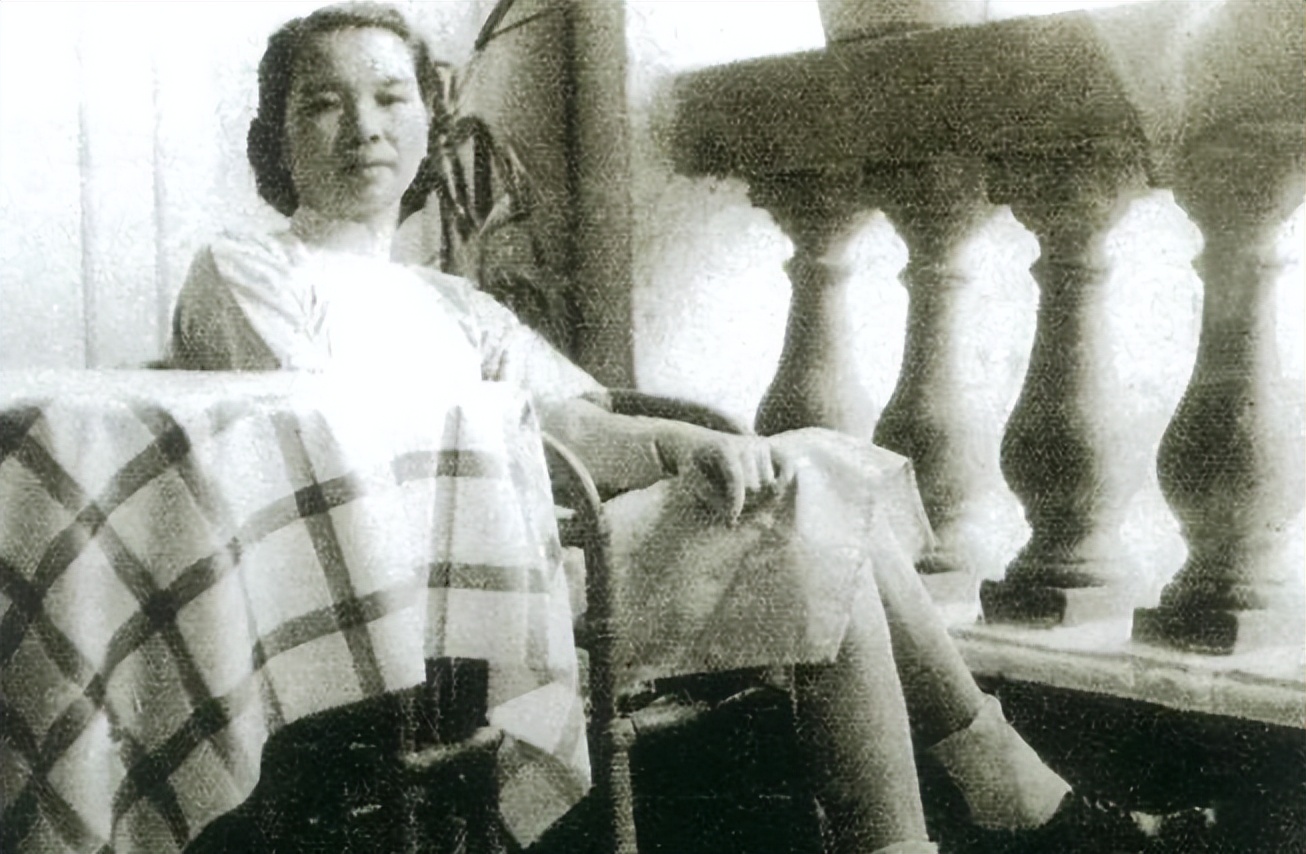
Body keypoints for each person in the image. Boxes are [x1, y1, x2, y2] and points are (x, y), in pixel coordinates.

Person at [169, 4, 1145, 853]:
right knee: (811, 502)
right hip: (401, 598)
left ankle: (983, 806)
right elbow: (329, 434)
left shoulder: (450, 304)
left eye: (390, 96)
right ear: (276, 135)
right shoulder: (250, 268)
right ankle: (1014, 795)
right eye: (322, 102)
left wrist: (687, 447)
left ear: (428, 120)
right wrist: (544, 434)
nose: (364, 125)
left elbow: (575, 422)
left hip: (528, 564)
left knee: (806, 480)